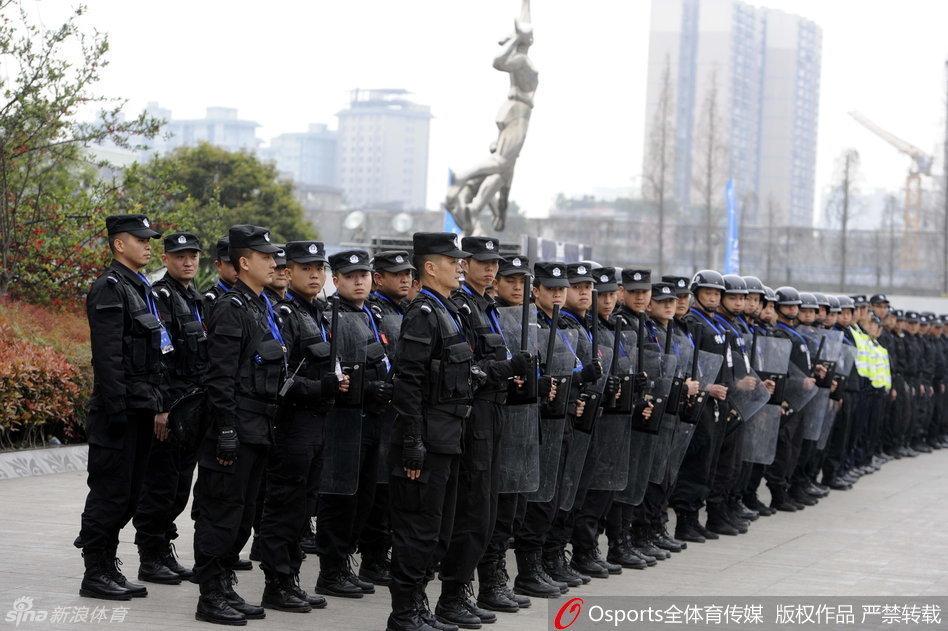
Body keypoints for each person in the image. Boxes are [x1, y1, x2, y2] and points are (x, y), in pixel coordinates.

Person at [436, 237, 531, 629]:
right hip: (474, 414)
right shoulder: (460, 307)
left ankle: (472, 588)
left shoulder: (488, 306)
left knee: (489, 510)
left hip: (496, 411)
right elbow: (467, 369)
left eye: (494, 262)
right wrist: (505, 370)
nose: (490, 269)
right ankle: (453, 594)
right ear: (465, 264)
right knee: (472, 510)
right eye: (481, 262)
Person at [192, 224, 284, 625]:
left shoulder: (259, 305)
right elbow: (220, 376)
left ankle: (225, 586)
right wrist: (226, 429)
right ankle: (210, 596)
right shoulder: (231, 307)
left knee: (243, 514)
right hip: (235, 429)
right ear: (244, 262)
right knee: (221, 512)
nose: (273, 262)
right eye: (265, 257)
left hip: (258, 427)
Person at [386, 233, 474, 631]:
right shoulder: (423, 313)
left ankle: (419, 606)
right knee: (415, 530)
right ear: (430, 267)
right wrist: (412, 441)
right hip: (426, 440)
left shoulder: (449, 311)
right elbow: (408, 383)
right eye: (451, 260)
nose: (460, 266)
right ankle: (403, 614)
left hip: (447, 437)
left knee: (435, 532)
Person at [76, 213, 165, 601]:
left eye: (150, 239)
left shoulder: (138, 286)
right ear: (118, 244)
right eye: (141, 239)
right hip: (119, 411)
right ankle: (95, 571)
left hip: (140, 407)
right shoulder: (110, 287)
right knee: (109, 493)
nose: (148, 245)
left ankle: (109, 566)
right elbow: (107, 356)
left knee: (129, 495)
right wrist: (116, 410)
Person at [256, 239, 345, 613]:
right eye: (306, 268)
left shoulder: (319, 313)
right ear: (287, 271)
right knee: (285, 506)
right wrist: (318, 386)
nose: (314, 274)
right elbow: (277, 380)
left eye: (319, 269)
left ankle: (291, 577)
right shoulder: (284, 315)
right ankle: (276, 583)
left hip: (317, 423)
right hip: (291, 426)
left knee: (304, 507)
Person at [315, 250, 393, 599]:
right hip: (345, 419)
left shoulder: (370, 313)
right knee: (339, 498)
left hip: (374, 418)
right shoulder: (329, 315)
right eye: (351, 276)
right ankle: (331, 570)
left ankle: (345, 562)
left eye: (364, 274)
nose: (359, 281)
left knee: (365, 498)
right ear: (338, 280)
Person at [134, 232, 207, 586]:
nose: (187, 261)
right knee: (160, 486)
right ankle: (150, 556)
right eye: (179, 256)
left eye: (193, 255)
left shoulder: (195, 298)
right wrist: (160, 408)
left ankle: (164, 550)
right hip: (170, 408)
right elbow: (158, 356)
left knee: (179, 487)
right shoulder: (161, 297)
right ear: (165, 259)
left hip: (191, 410)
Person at [477, 253, 536, 612]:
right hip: (495, 416)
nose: (517, 286)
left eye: (522, 281)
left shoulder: (531, 322)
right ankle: (490, 581)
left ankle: (500, 576)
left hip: (525, 420)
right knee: (493, 511)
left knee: (514, 508)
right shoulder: (488, 314)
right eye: (510, 279)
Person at [359, 250, 416, 588]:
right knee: (378, 491)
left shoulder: (405, 309)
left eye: (408, 273)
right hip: (378, 410)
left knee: (391, 490)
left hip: (398, 411)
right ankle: (373, 557)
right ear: (378, 278)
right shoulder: (375, 312)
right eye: (397, 274)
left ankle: (382, 554)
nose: (405, 279)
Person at [670, 271, 730, 544]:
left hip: (714, 402)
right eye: (708, 293)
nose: (713, 297)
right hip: (697, 401)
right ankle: (685, 520)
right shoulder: (694, 323)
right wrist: (706, 388)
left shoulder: (715, 323)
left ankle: (695, 518)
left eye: (717, 293)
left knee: (708, 461)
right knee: (695, 462)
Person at [203, 237, 238, 314]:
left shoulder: (252, 296)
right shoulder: (210, 302)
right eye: (231, 263)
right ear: (218, 265)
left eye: (240, 262)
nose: (237, 267)